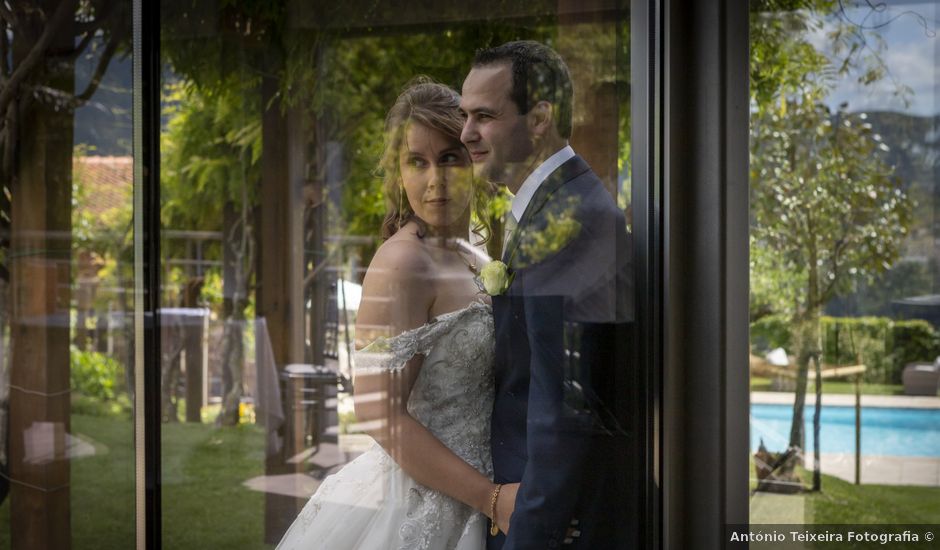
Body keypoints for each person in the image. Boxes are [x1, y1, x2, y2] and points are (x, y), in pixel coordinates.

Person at [276, 79, 515, 550]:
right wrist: (490, 499)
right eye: (417, 162)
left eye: (449, 158)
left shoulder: (477, 251)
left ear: (474, 158)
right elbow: (377, 412)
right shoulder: (402, 263)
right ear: (398, 173)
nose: (435, 180)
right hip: (428, 505)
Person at [460, 41, 635, 549]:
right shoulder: (551, 206)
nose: (467, 133)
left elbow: (563, 413)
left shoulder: (570, 221)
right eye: (465, 115)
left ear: (539, 119)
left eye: (484, 116)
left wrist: (529, 537)